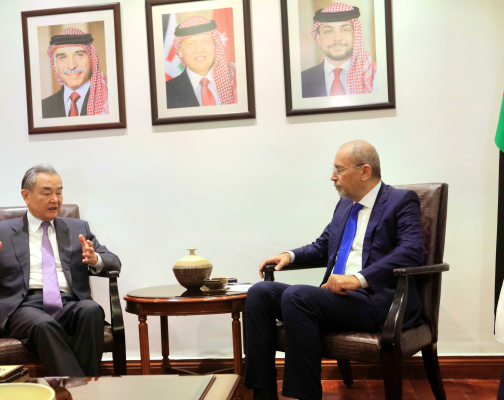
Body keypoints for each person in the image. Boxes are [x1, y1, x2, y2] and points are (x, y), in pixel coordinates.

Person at [244, 141, 425, 400]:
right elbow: (323, 246)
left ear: (364, 171)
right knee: (260, 293)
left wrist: (358, 279)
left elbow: (411, 251)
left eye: (339, 169)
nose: (332, 176)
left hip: (378, 300)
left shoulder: (401, 201)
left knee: (297, 296)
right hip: (339, 299)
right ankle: (262, 395)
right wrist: (290, 255)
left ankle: (304, 396)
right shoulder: (345, 205)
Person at [0, 164, 120, 377]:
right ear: (26, 196)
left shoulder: (78, 229)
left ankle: (73, 388)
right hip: (23, 307)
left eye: (59, 192)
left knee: (91, 309)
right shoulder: (1, 232)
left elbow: (114, 262)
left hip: (69, 303)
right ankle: (82, 387)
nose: (55, 199)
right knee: (43, 324)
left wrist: (96, 260)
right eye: (47, 193)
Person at [301, 3, 377, 98]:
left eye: (345, 30)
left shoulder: (376, 76)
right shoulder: (300, 81)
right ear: (318, 39)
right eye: (328, 31)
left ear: (356, 36)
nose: (337, 38)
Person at [166, 15, 237, 109]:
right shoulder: (165, 92)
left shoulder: (237, 78)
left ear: (215, 45)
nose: (199, 50)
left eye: (206, 41)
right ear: (180, 52)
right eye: (191, 43)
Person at [42, 28, 109, 118]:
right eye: (62, 57)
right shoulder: (43, 108)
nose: (71, 66)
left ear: (92, 60)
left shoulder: (110, 101)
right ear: (55, 65)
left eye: (79, 55)